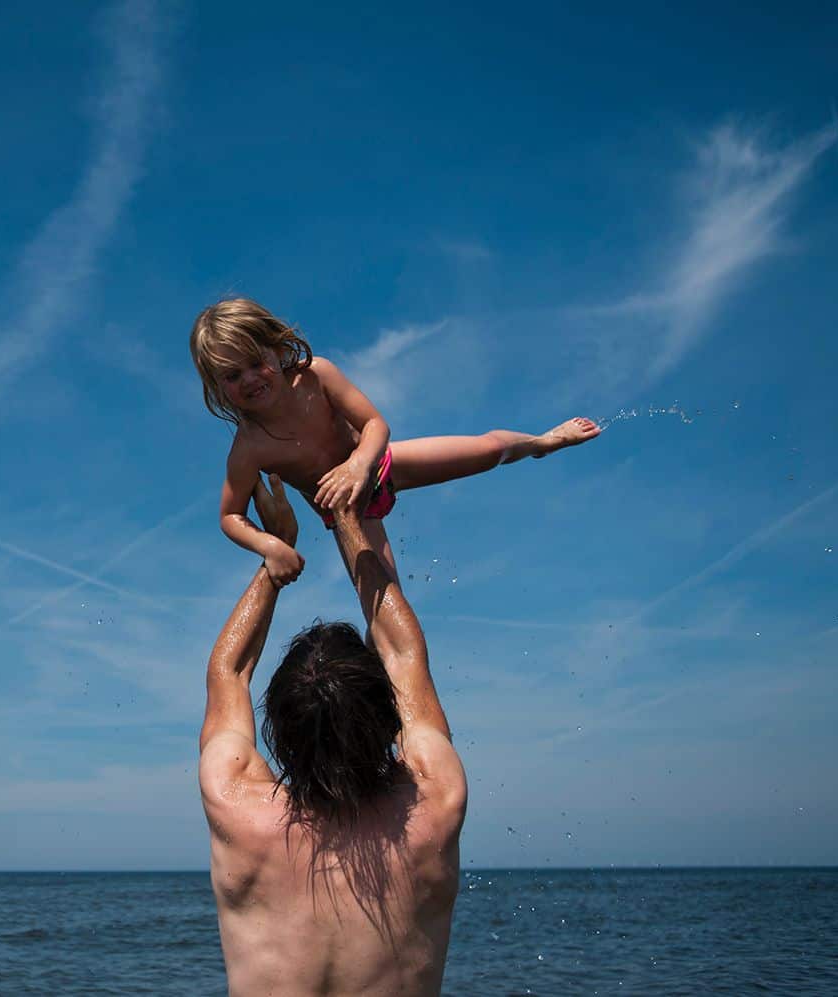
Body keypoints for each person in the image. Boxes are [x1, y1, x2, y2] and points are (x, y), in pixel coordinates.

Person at [199, 472, 464, 995]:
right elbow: (403, 654)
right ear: (389, 716)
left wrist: (276, 560)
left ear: (278, 726)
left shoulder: (235, 807)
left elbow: (229, 672)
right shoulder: (436, 801)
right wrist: (341, 517)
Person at [191, 297, 600, 586]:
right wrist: (268, 546)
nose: (248, 379)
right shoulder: (249, 446)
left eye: (254, 362)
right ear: (217, 386)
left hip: (379, 466)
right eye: (231, 375)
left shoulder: (317, 376)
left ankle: (540, 442)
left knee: (490, 448)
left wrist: (359, 464)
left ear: (277, 350)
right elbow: (230, 516)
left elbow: (374, 424)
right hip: (347, 512)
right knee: (386, 603)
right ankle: (383, 677)